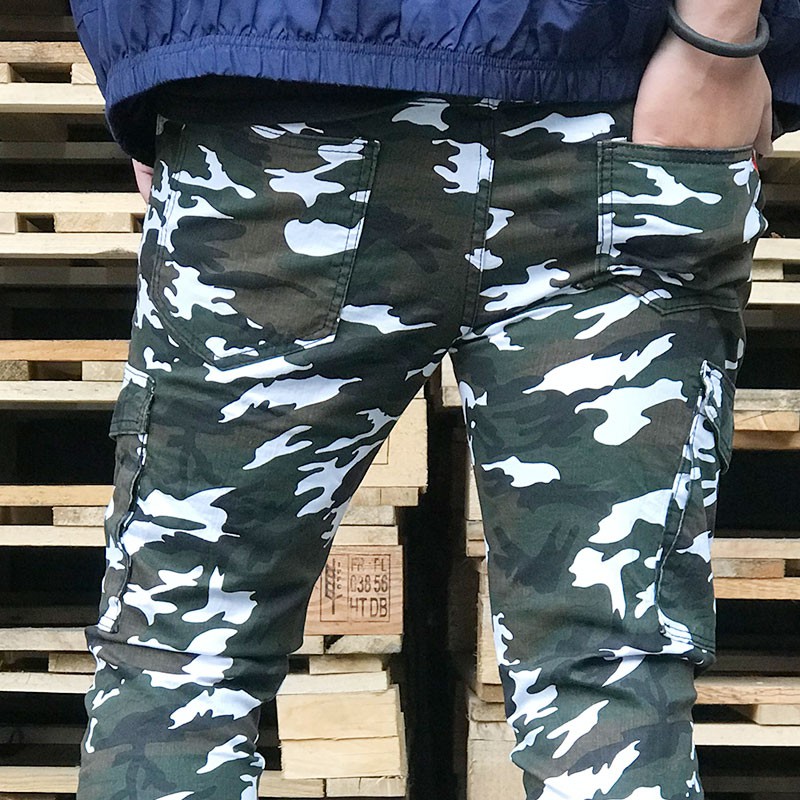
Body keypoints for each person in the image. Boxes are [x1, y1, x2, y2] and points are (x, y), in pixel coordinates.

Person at [68, 1, 800, 798]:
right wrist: (713, 41)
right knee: (609, 675)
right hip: (613, 115)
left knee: (181, 655)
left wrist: (151, 68)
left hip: (281, 104)